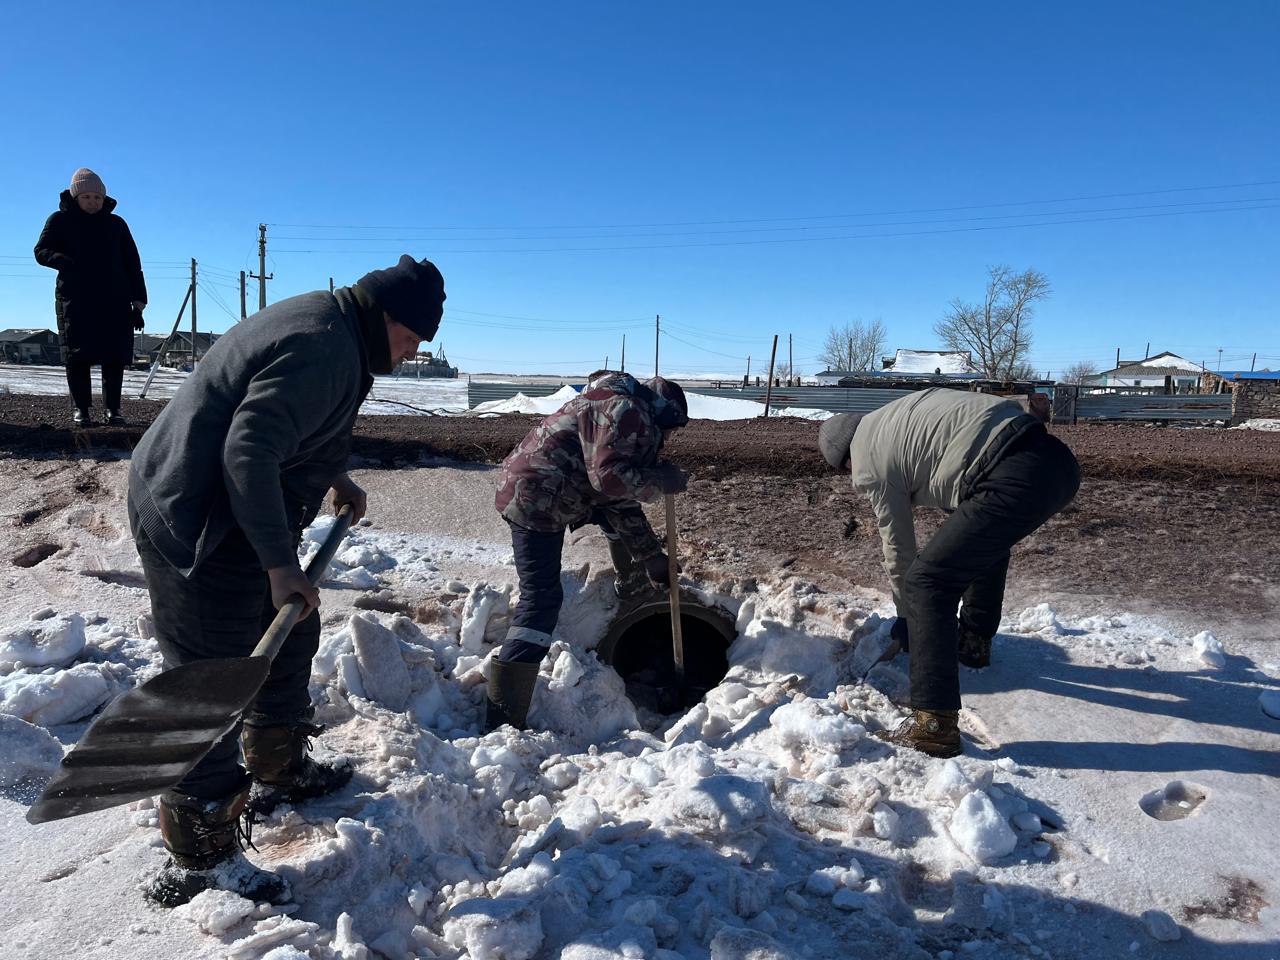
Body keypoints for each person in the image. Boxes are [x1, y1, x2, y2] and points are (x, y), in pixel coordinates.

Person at [127, 254, 445, 906]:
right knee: (210, 675)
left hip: (235, 510)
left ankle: (276, 761)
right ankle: (201, 860)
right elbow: (248, 448)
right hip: (197, 518)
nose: (412, 353)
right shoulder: (326, 348)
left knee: (292, 626)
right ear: (387, 315)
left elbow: (290, 424)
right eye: (411, 338)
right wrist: (279, 564)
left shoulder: (339, 331)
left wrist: (336, 477)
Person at [818, 388, 1079, 758]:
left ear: (844, 460)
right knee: (982, 544)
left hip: (1013, 470)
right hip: (1056, 463)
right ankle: (973, 642)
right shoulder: (896, 420)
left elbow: (899, 548)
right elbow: (962, 462)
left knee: (927, 582)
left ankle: (933, 725)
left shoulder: (867, 460)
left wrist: (909, 618)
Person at [487, 372, 691, 731]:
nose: (669, 440)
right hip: (538, 498)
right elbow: (609, 480)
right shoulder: (629, 411)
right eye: (672, 431)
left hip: (543, 490)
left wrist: (651, 558)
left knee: (607, 525)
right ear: (665, 414)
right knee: (541, 602)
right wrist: (660, 480)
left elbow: (618, 502)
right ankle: (502, 716)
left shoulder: (620, 407)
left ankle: (633, 586)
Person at [34, 168, 147, 426]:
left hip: (114, 298)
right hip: (75, 298)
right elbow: (41, 251)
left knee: (113, 355)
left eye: (97, 197)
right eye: (86, 197)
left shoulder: (116, 225)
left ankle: (113, 410)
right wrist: (65, 261)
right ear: (75, 197)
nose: (92, 202)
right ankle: (81, 410)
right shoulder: (59, 221)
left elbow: (132, 263)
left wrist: (138, 303)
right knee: (78, 355)